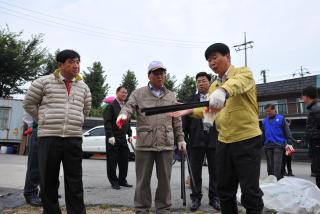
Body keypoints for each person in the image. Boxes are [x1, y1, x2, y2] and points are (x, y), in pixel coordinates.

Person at [170, 43, 264, 213]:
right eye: (208, 60)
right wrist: (189, 109)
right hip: (223, 141)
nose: (211, 63)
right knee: (225, 190)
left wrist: (223, 91)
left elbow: (237, 84)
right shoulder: (213, 86)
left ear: (227, 56)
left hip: (246, 139)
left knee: (250, 192)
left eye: (214, 58)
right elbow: (208, 108)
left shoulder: (243, 73)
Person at [23, 49, 91, 214]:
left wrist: (76, 121)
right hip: (49, 137)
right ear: (61, 65)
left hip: (73, 138)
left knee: (75, 181)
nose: (76, 66)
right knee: (48, 180)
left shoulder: (83, 87)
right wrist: (44, 119)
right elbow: (29, 104)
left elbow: (86, 109)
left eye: (77, 62)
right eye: (71, 62)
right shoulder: (43, 82)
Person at [116, 61, 186, 214]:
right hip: (145, 143)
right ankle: (141, 209)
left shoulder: (171, 95)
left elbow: (177, 119)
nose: (160, 76)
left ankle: (163, 209)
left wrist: (180, 139)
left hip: (166, 143)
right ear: (149, 76)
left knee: (165, 181)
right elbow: (128, 107)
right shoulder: (138, 93)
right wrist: (123, 115)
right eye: (156, 73)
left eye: (162, 73)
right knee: (142, 181)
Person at [182, 72, 220, 211]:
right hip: (196, 139)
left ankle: (214, 198)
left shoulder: (216, 97)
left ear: (209, 82)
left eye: (203, 80)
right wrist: (183, 138)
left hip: (214, 139)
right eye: (198, 81)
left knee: (215, 171)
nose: (200, 83)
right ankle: (196, 198)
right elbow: (184, 120)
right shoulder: (191, 99)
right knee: (195, 171)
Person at [103, 86, 133, 190]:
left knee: (124, 159)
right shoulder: (111, 106)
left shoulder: (126, 107)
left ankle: (122, 180)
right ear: (117, 92)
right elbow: (107, 122)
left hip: (122, 138)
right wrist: (110, 135)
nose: (124, 94)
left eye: (126, 93)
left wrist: (129, 134)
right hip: (113, 138)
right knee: (112, 161)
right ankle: (114, 181)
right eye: (122, 92)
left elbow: (128, 122)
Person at [262, 104, 300, 180]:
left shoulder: (281, 118)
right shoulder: (264, 121)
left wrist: (294, 140)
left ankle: (278, 180)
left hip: (278, 145)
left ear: (274, 110)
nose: (267, 113)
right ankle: (271, 179)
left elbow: (287, 132)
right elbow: (263, 134)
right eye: (266, 112)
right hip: (268, 145)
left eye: (269, 111)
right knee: (270, 165)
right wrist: (261, 144)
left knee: (277, 164)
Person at [302, 86, 320, 188]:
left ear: (307, 96)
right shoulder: (314, 108)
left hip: (317, 143)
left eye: (302, 96)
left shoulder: (316, 108)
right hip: (315, 143)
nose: (302, 98)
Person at [23, 113, 41, 207]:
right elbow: (28, 105)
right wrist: (31, 125)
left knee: (50, 164)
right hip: (38, 129)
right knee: (35, 164)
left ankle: (46, 192)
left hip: (54, 131)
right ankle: (30, 193)